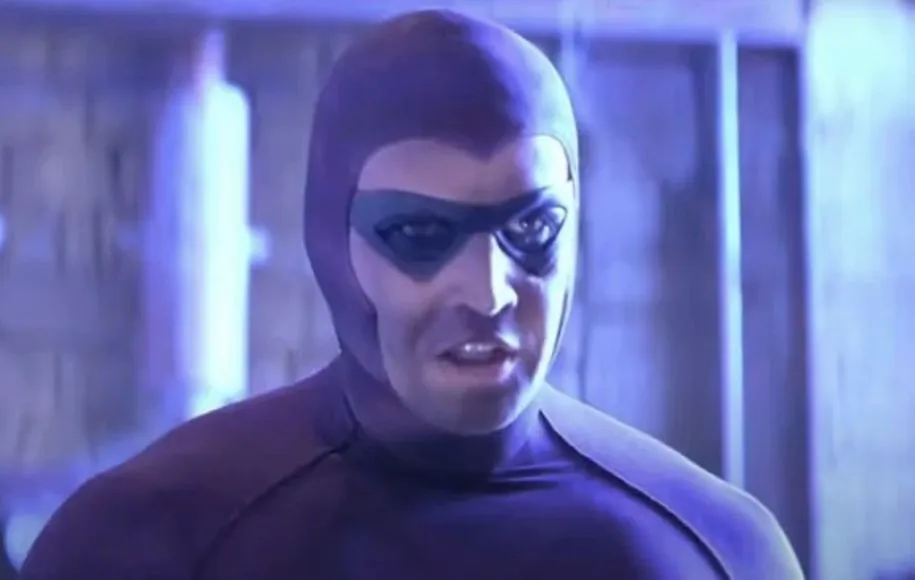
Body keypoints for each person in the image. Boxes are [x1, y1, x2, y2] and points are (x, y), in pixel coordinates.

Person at [19, 9, 803, 580]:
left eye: (531, 228)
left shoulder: (718, 550)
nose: (488, 292)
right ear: (332, 243)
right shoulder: (144, 541)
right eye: (420, 234)